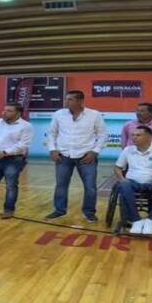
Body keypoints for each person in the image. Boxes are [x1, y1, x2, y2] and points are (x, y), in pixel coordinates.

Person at [45, 90, 107, 222]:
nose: (66, 102)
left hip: (86, 156)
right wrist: (52, 149)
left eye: (70, 99)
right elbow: (52, 133)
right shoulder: (58, 114)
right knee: (61, 185)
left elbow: (102, 135)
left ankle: (89, 212)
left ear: (80, 101)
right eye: (66, 99)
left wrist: (95, 152)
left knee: (90, 186)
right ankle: (59, 210)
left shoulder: (94, 115)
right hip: (63, 155)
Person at [114, 126, 152, 235]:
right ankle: (135, 220)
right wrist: (122, 179)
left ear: (149, 137)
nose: (134, 137)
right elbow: (118, 168)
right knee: (123, 184)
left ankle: (150, 221)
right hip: (132, 182)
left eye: (138, 135)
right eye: (133, 135)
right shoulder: (128, 150)